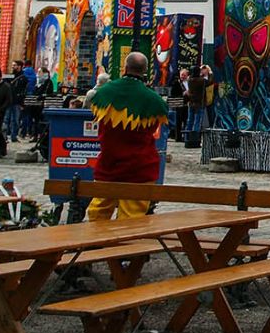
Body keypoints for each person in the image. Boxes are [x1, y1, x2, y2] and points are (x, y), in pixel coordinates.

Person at [86, 52, 169, 222]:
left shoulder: (104, 93)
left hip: (109, 165)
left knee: (98, 212)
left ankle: (95, 246)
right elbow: (152, 129)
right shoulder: (154, 101)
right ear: (145, 71)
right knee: (131, 219)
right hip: (140, 168)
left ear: (125, 67)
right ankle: (124, 247)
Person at [184, 65, 208, 144]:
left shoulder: (190, 80)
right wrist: (208, 73)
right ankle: (195, 137)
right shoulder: (202, 81)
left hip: (191, 103)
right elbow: (208, 81)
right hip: (199, 103)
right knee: (197, 121)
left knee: (190, 120)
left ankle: (187, 137)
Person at [6, 60, 27, 142]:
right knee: (6, 119)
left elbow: (24, 92)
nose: (13, 67)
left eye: (14, 65)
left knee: (15, 120)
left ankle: (13, 136)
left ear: (19, 66)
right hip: (8, 102)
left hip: (17, 103)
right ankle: (5, 136)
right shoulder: (9, 77)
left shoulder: (23, 78)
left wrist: (22, 103)